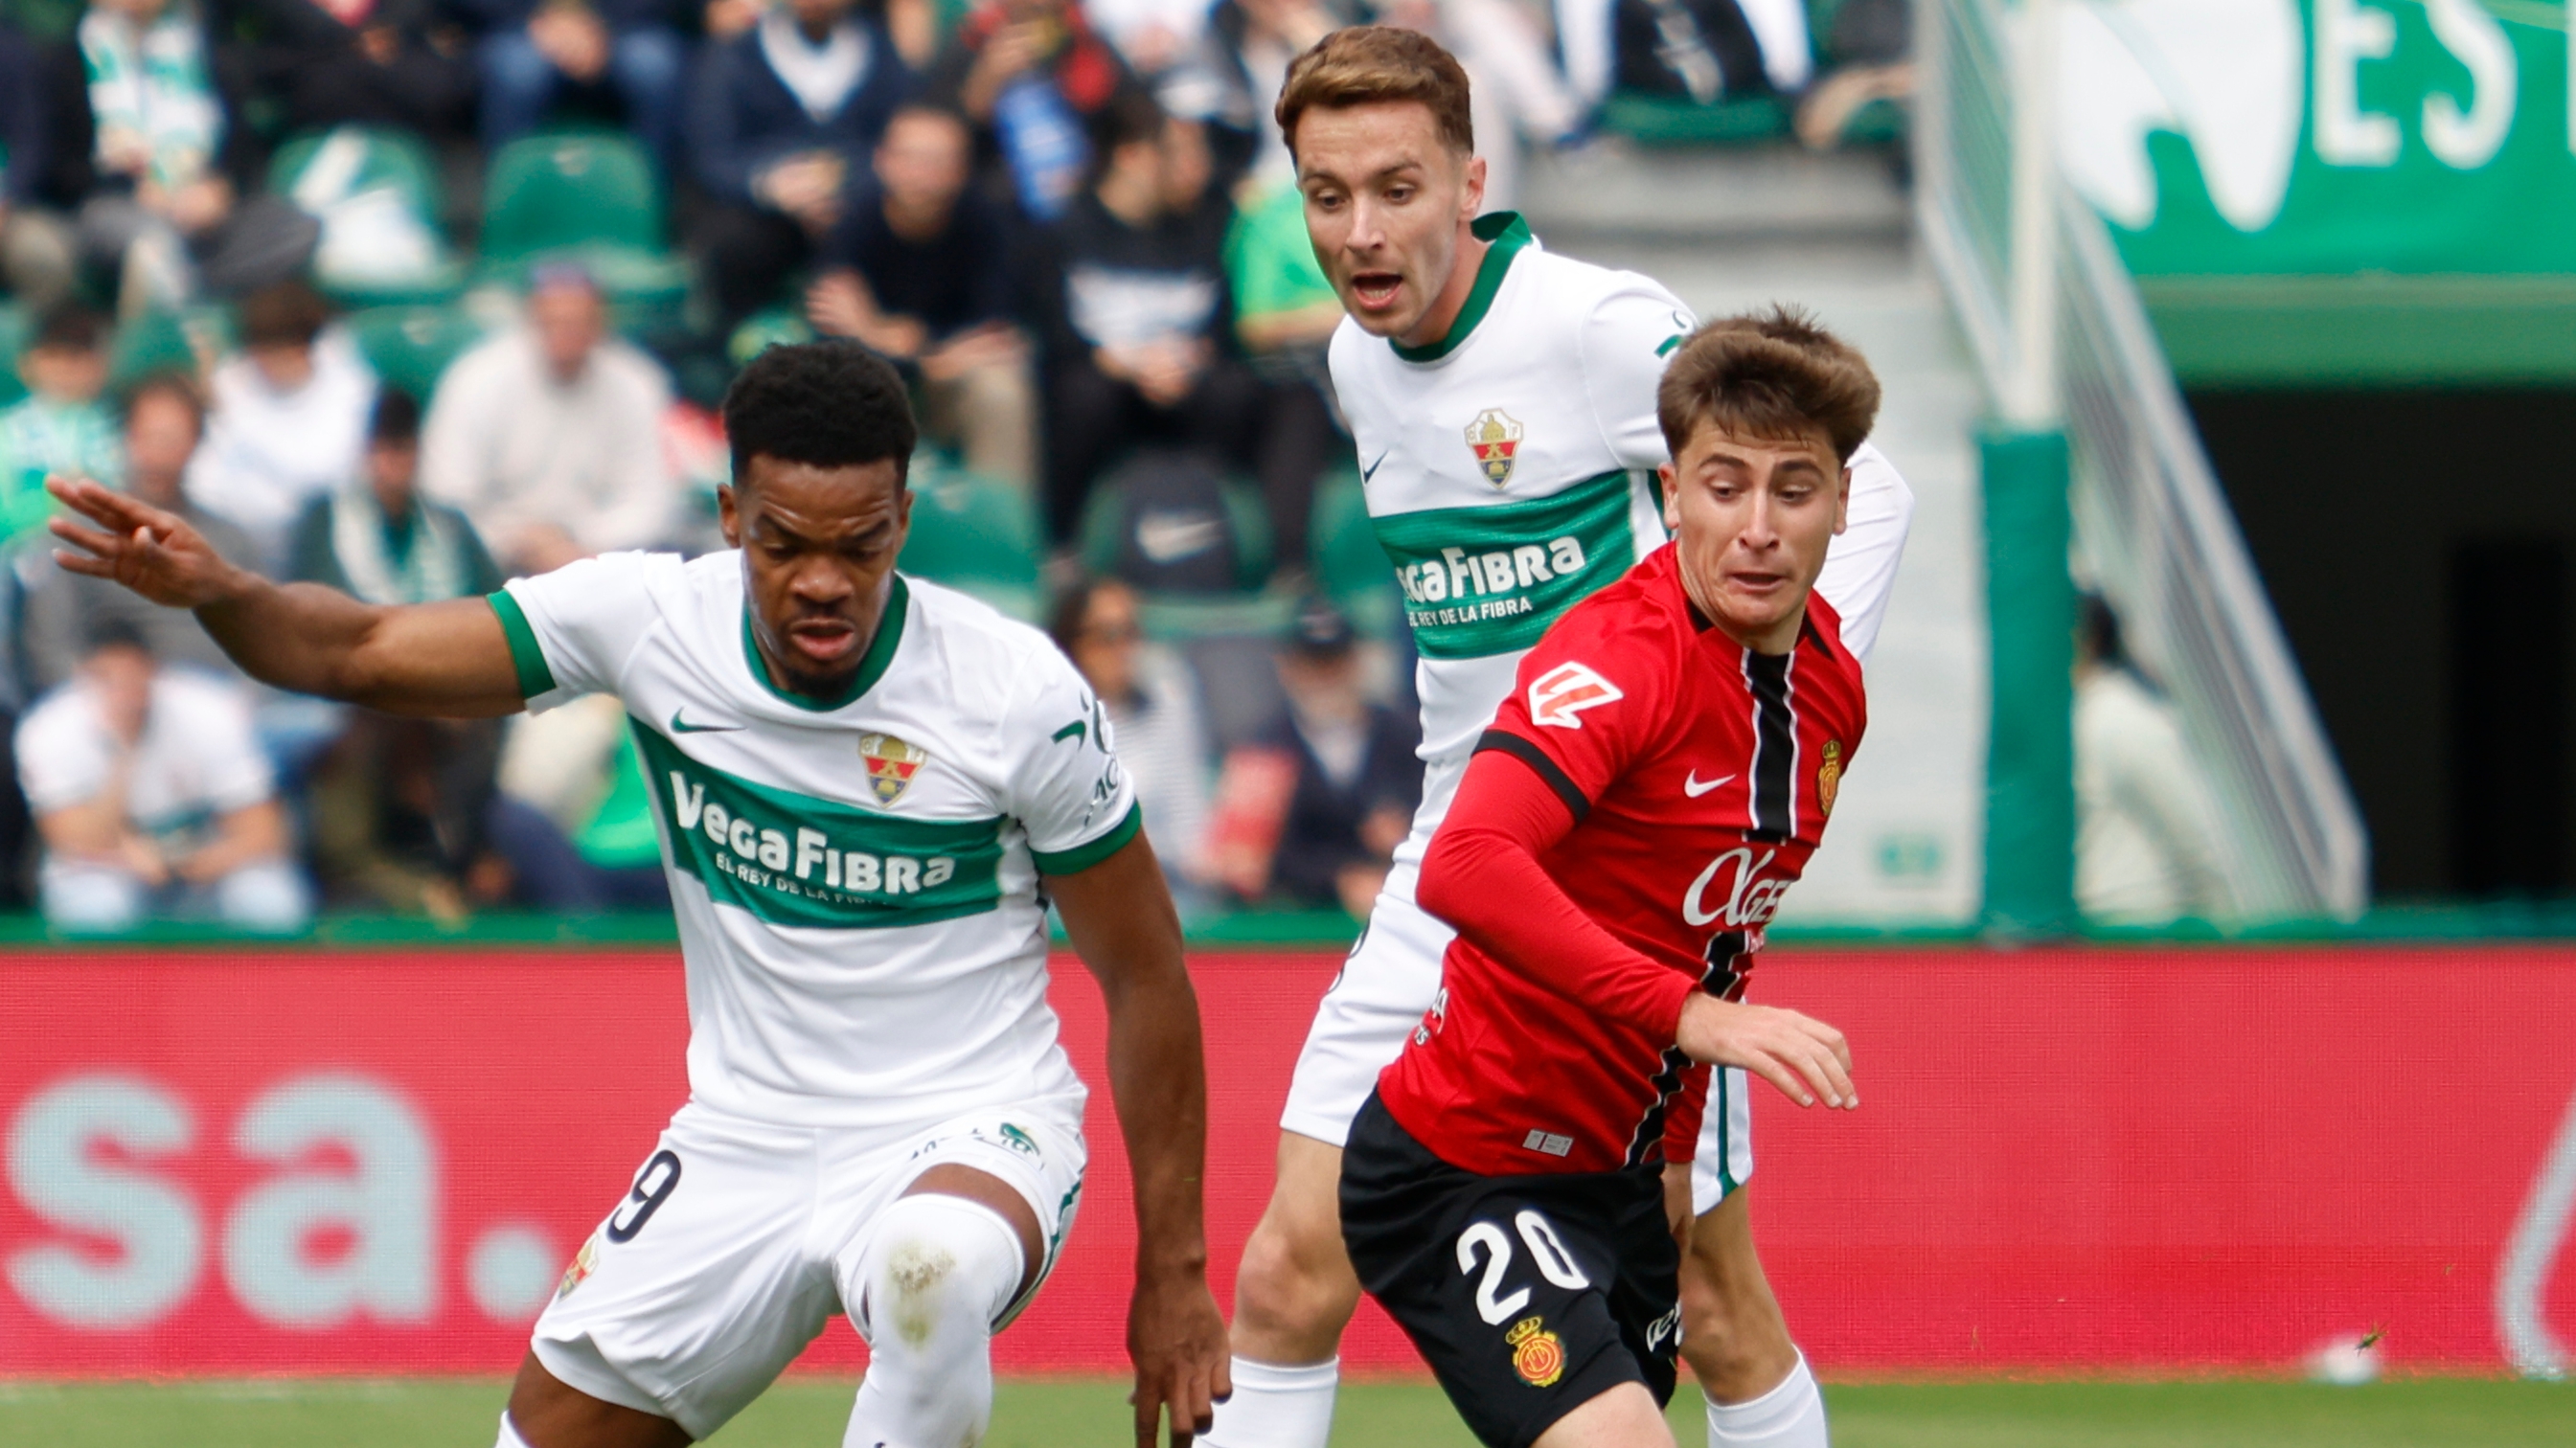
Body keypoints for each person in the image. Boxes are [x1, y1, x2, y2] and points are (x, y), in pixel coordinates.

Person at [46, 338, 1229, 1448]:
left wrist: (1172, 1270)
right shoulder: (649, 621)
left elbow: (1146, 973)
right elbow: (360, 651)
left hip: (974, 1120)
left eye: (860, 545)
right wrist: (222, 592)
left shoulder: (1017, 695)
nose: (823, 581)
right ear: (728, 518)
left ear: (906, 522)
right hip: (745, 1140)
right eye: (782, 544)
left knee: (928, 1269)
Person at [1200, 30, 1913, 1448]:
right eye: (1325, 195)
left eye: (1396, 188)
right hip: (1459, 858)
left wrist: (1758, 719)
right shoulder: (1355, 363)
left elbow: (1861, 484)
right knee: (1285, 1274)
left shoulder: (1589, 327)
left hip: (1626, 884)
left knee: (1715, 1308)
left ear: (1472, 180)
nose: (1361, 230)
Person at [1342, 308, 1876, 1448]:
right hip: (1460, 1171)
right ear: (1673, 492)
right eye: (1724, 486)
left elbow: (1715, 940)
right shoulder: (1617, 659)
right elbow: (1469, 863)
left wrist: (1673, 1155)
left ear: (1841, 503)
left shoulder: (1832, 693)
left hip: (1622, 1183)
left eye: (1794, 490)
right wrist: (1693, 1023)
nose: (1758, 528)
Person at [289, 388, 510, 919]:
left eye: (404, 452)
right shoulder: (326, 522)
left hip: (450, 708)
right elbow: (317, 622)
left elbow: (496, 615)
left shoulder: (449, 528)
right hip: (355, 702)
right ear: (366, 455)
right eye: (384, 452)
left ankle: (469, 859)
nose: (393, 466)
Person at [1033, 91, 1261, 542]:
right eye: (1170, 154)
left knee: (1234, 392)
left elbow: (1221, 328)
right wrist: (1134, 366)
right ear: (1132, 156)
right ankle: (1065, 546)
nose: (1188, 168)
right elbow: (1055, 336)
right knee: (1082, 395)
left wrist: (1185, 361)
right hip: (1106, 378)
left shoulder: (1204, 228)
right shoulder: (1064, 232)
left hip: (1180, 375)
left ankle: (1218, 536)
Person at [16, 617, 312, 931]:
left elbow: (265, 833)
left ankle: (251, 982)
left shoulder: (211, 709)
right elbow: (75, 840)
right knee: (97, 911)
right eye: (106, 678)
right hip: (107, 872)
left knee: (271, 903)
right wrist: (123, 754)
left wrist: (189, 862)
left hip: (208, 868)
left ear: (154, 670)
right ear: (83, 677)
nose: (123, 691)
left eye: (133, 674)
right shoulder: (48, 729)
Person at [807, 102, 1037, 490]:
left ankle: (1000, 534)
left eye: (937, 162)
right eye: (910, 159)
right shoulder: (853, 223)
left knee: (1002, 390)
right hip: (878, 387)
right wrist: (923, 355)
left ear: (962, 171)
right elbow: (833, 339)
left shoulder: (986, 224)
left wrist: (884, 334)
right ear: (882, 161)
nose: (922, 176)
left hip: (951, 387)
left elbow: (993, 333)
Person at [418, 261, 679, 575]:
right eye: (554, 321)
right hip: (491, 562)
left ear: (602, 323)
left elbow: (651, 500)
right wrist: (514, 541)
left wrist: (574, 546)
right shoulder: (476, 378)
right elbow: (446, 490)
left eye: (579, 322)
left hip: (597, 562)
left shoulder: (638, 383)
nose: (567, 334)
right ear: (531, 318)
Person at [18, 370, 259, 694]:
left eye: (173, 439)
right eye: (149, 436)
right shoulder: (82, 532)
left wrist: (248, 702)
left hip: (218, 705)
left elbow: (264, 643)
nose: (159, 454)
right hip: (105, 702)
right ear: (127, 437)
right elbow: (50, 646)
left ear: (197, 442)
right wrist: (98, 697)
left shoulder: (231, 541)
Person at [684, 0, 917, 333]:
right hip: (761, 214)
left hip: (855, 211)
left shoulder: (881, 55)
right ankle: (736, 348)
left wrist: (842, 187)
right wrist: (770, 184)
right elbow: (712, 156)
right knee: (732, 238)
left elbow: (896, 141)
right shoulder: (732, 56)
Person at [186, 280, 379, 570]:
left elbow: (325, 480)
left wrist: (235, 423)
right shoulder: (230, 381)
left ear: (303, 347)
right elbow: (203, 480)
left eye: (272, 351)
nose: (260, 363)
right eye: (256, 350)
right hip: (236, 547)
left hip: (323, 553)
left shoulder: (352, 391)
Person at [1050, 574, 1216, 898]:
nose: (1125, 648)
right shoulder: (1049, 724)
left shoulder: (1167, 699)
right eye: (1109, 635)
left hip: (1168, 885)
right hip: (1075, 893)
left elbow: (1188, 814)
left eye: (1132, 632)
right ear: (1073, 643)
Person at [2074, 595, 2232, 926]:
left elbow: (2200, 841)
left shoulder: (2119, 718)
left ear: (2083, 640)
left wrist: (2220, 954)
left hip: (2132, 955)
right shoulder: (2070, 719)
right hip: (2079, 954)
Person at [1263, 594, 1419, 917]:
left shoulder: (1406, 737)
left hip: (1405, 906)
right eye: (1313, 663)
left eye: (1336, 661)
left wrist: (1404, 836)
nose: (1326, 676)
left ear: (1357, 662)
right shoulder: (1267, 748)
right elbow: (1258, 856)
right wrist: (1338, 878)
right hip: (1301, 924)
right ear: (1287, 667)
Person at [925, 0, 1151, 221]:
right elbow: (932, 126)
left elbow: (1134, 117)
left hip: (1080, 210)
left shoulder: (1085, 41)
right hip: (998, 208)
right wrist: (986, 83)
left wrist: (1086, 78)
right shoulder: (973, 38)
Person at [455, 0, 689, 162]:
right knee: (517, 70)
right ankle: (513, 204)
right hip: (522, 24)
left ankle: (647, 204)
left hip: (622, 24)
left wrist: (599, 25)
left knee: (654, 65)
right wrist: (538, 19)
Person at [0, 303, 118, 543]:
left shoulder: (115, 428)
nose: (64, 369)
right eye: (53, 355)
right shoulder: (8, 432)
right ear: (26, 363)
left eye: (76, 357)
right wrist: (52, 501)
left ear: (100, 366)